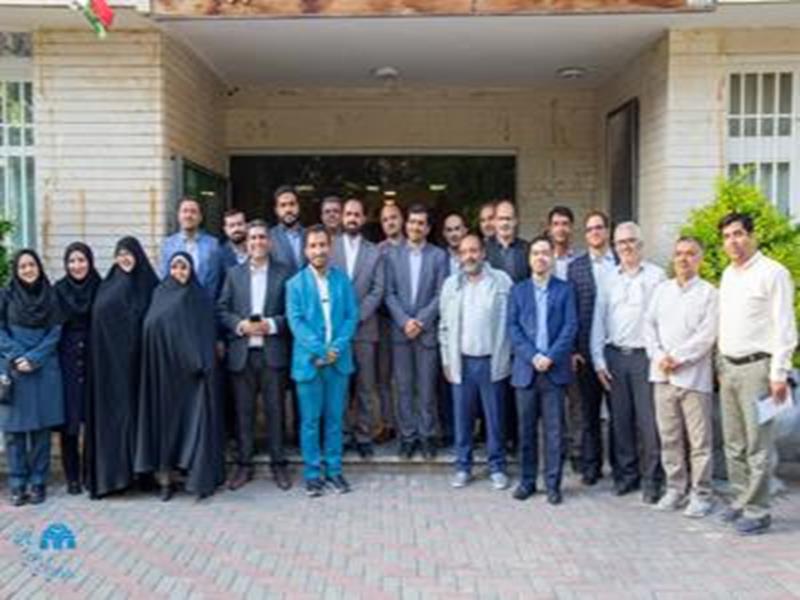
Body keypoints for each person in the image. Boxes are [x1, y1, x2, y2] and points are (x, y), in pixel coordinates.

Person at [716, 212, 797, 535]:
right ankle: (740, 500)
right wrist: (720, 364)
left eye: (738, 234)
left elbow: (785, 328)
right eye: (726, 237)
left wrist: (779, 373)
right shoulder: (728, 274)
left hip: (758, 370)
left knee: (757, 444)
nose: (732, 242)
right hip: (729, 367)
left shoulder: (773, 273)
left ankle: (758, 510)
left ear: (752, 235)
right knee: (733, 443)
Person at [135, 252, 225, 501]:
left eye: (184, 267)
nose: (179, 272)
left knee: (195, 427)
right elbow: (150, 328)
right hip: (165, 375)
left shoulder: (200, 298)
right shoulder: (160, 294)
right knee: (167, 428)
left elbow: (207, 334)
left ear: (191, 270)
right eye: (174, 267)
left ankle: (195, 478)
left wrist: (199, 360)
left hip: (194, 378)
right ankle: (165, 480)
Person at [591, 221, 666, 504]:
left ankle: (652, 480)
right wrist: (598, 360)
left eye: (631, 240)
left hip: (645, 358)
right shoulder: (609, 278)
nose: (626, 246)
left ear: (641, 243)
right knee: (620, 421)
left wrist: (660, 356)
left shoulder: (657, 276)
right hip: (615, 356)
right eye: (621, 242)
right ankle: (626, 476)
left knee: (649, 424)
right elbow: (599, 320)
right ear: (614, 246)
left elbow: (663, 320)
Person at [644, 237, 718, 518]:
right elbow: (648, 326)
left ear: (700, 259)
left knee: (699, 442)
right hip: (662, 376)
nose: (683, 259)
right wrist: (659, 355)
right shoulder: (661, 290)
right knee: (669, 437)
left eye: (690, 254)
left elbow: (707, 335)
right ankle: (675, 488)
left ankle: (701, 494)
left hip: (694, 378)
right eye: (678, 254)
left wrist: (679, 357)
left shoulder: (709, 293)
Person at [218, 220, 293, 491]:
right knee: (244, 413)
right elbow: (222, 310)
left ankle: (278, 464)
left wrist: (270, 325)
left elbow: (293, 313)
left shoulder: (284, 273)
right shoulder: (233, 274)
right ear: (246, 243)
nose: (257, 242)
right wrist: (240, 326)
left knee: (275, 412)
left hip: (273, 353)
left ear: (269, 242)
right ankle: (244, 465)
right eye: (253, 238)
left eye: (262, 237)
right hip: (243, 354)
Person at [287, 225, 358, 497]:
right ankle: (313, 474)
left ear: (330, 247)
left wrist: (335, 348)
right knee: (310, 422)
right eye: (313, 246)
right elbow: (296, 322)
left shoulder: (343, 281)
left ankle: (334, 471)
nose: (318, 250)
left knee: (334, 420)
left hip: (338, 362)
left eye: (322, 245)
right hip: (309, 363)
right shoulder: (294, 284)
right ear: (306, 250)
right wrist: (320, 351)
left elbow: (351, 316)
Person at [86, 236, 159, 499]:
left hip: (142, 368)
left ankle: (144, 474)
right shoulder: (107, 286)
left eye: (129, 253)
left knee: (141, 420)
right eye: (121, 254)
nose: (125, 258)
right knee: (116, 421)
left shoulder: (150, 285)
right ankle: (116, 478)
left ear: (138, 256)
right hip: (111, 370)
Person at [508, 236, 577, 505]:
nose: (540, 257)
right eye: (536, 253)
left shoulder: (565, 290)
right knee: (526, 432)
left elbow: (570, 327)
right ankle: (527, 482)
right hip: (526, 371)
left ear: (552, 258)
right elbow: (513, 328)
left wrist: (550, 356)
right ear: (529, 259)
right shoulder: (518, 291)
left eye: (545, 253)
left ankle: (553, 484)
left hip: (554, 371)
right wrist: (533, 356)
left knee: (554, 432)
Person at [439, 234, 512, 490]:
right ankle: (463, 467)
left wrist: (508, 355)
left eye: (474, 251)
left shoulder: (502, 281)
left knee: (495, 419)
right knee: (463, 419)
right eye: (464, 252)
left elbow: (512, 322)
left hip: (492, 360)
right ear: (459, 256)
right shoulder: (451, 285)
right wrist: (447, 360)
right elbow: (444, 326)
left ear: (483, 253)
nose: (469, 256)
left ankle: (497, 467)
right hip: (462, 362)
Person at [0, 250, 64, 506]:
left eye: (32, 265)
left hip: (43, 369)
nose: (28, 270)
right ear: (16, 271)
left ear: (39, 267)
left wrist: (34, 358)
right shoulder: (6, 296)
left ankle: (38, 482)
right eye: (23, 266)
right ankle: (17, 483)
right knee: (14, 432)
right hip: (13, 368)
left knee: (40, 431)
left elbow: (55, 331)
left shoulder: (51, 296)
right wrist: (17, 356)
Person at [385, 204, 448, 460]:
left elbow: (441, 294)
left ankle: (427, 435)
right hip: (400, 333)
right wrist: (404, 321)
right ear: (406, 224)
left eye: (421, 223)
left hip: (426, 332)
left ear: (428, 228)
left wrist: (420, 321)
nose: (415, 227)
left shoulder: (439, 256)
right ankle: (408, 436)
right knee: (403, 388)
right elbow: (389, 293)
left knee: (426, 388)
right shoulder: (391, 255)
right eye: (412, 222)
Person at [567, 210, 618, 486]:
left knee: (619, 413)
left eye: (599, 227)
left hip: (616, 349)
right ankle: (592, 466)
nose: (595, 232)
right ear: (585, 235)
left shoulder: (621, 261)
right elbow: (571, 311)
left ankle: (621, 467)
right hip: (585, 352)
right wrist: (573, 349)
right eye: (589, 229)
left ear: (607, 231)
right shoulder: (576, 267)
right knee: (588, 413)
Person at [332, 198, 384, 459]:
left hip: (365, 329)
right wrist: (342, 318)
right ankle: (342, 434)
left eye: (357, 214)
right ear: (342, 217)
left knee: (365, 386)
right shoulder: (329, 247)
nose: (352, 218)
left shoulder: (375, 252)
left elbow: (378, 289)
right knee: (340, 386)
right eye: (348, 214)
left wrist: (357, 316)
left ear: (363, 219)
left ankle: (364, 435)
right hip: (336, 329)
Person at [54, 242, 101, 496]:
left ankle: (90, 473)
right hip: (67, 360)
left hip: (95, 358)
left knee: (92, 420)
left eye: (81, 260)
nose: (77, 266)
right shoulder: (58, 290)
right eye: (72, 261)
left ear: (90, 262)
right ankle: (72, 476)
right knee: (69, 422)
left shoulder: (100, 287)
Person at [375, 201, 405, 443]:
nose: (390, 223)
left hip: (410, 322)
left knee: (408, 378)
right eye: (385, 220)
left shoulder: (414, 247)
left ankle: (410, 425)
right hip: (384, 321)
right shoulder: (377, 251)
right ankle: (388, 423)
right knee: (384, 376)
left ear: (402, 219)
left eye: (393, 217)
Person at [160, 197, 221, 298]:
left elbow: (214, 280)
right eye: (185, 211)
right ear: (178, 216)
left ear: (200, 217)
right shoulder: (168, 244)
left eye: (193, 212)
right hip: (176, 301)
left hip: (203, 301)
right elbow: (164, 277)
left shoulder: (212, 244)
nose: (188, 215)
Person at [486, 200, 529, 283]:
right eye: (501, 219)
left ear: (516, 221)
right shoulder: (484, 249)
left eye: (508, 219)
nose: (505, 223)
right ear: (494, 221)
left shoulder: (527, 248)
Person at [270, 185, 306, 274]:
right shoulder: (269, 237)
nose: (288, 209)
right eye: (283, 205)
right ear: (276, 210)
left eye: (292, 204)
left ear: (298, 207)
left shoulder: (309, 235)